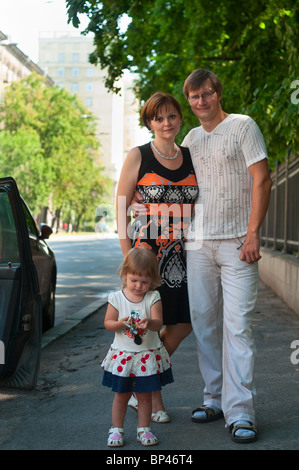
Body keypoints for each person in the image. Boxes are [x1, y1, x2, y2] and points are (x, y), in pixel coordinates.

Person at [181, 68, 272, 443]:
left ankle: (241, 412)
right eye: (193, 96)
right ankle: (213, 398)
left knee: (238, 327)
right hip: (198, 243)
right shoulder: (189, 138)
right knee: (204, 324)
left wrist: (253, 234)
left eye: (206, 93)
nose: (200, 101)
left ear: (218, 93)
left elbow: (262, 179)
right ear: (189, 101)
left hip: (238, 243)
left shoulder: (243, 126)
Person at [116, 92, 199, 421]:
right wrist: (128, 261)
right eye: (158, 118)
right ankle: (154, 399)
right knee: (149, 327)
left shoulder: (192, 157)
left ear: (180, 119)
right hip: (146, 256)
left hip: (183, 255)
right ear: (149, 122)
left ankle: (140, 385)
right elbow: (122, 208)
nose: (166, 123)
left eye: (171, 116)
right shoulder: (139, 155)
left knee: (183, 324)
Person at [101, 246, 173, 447]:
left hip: (145, 357)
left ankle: (144, 429)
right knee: (121, 396)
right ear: (125, 275)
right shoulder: (116, 298)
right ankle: (116, 429)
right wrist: (121, 323)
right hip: (124, 357)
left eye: (145, 282)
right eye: (134, 280)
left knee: (144, 396)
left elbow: (159, 323)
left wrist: (149, 323)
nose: (139, 286)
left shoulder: (153, 297)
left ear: (153, 280)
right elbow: (108, 324)